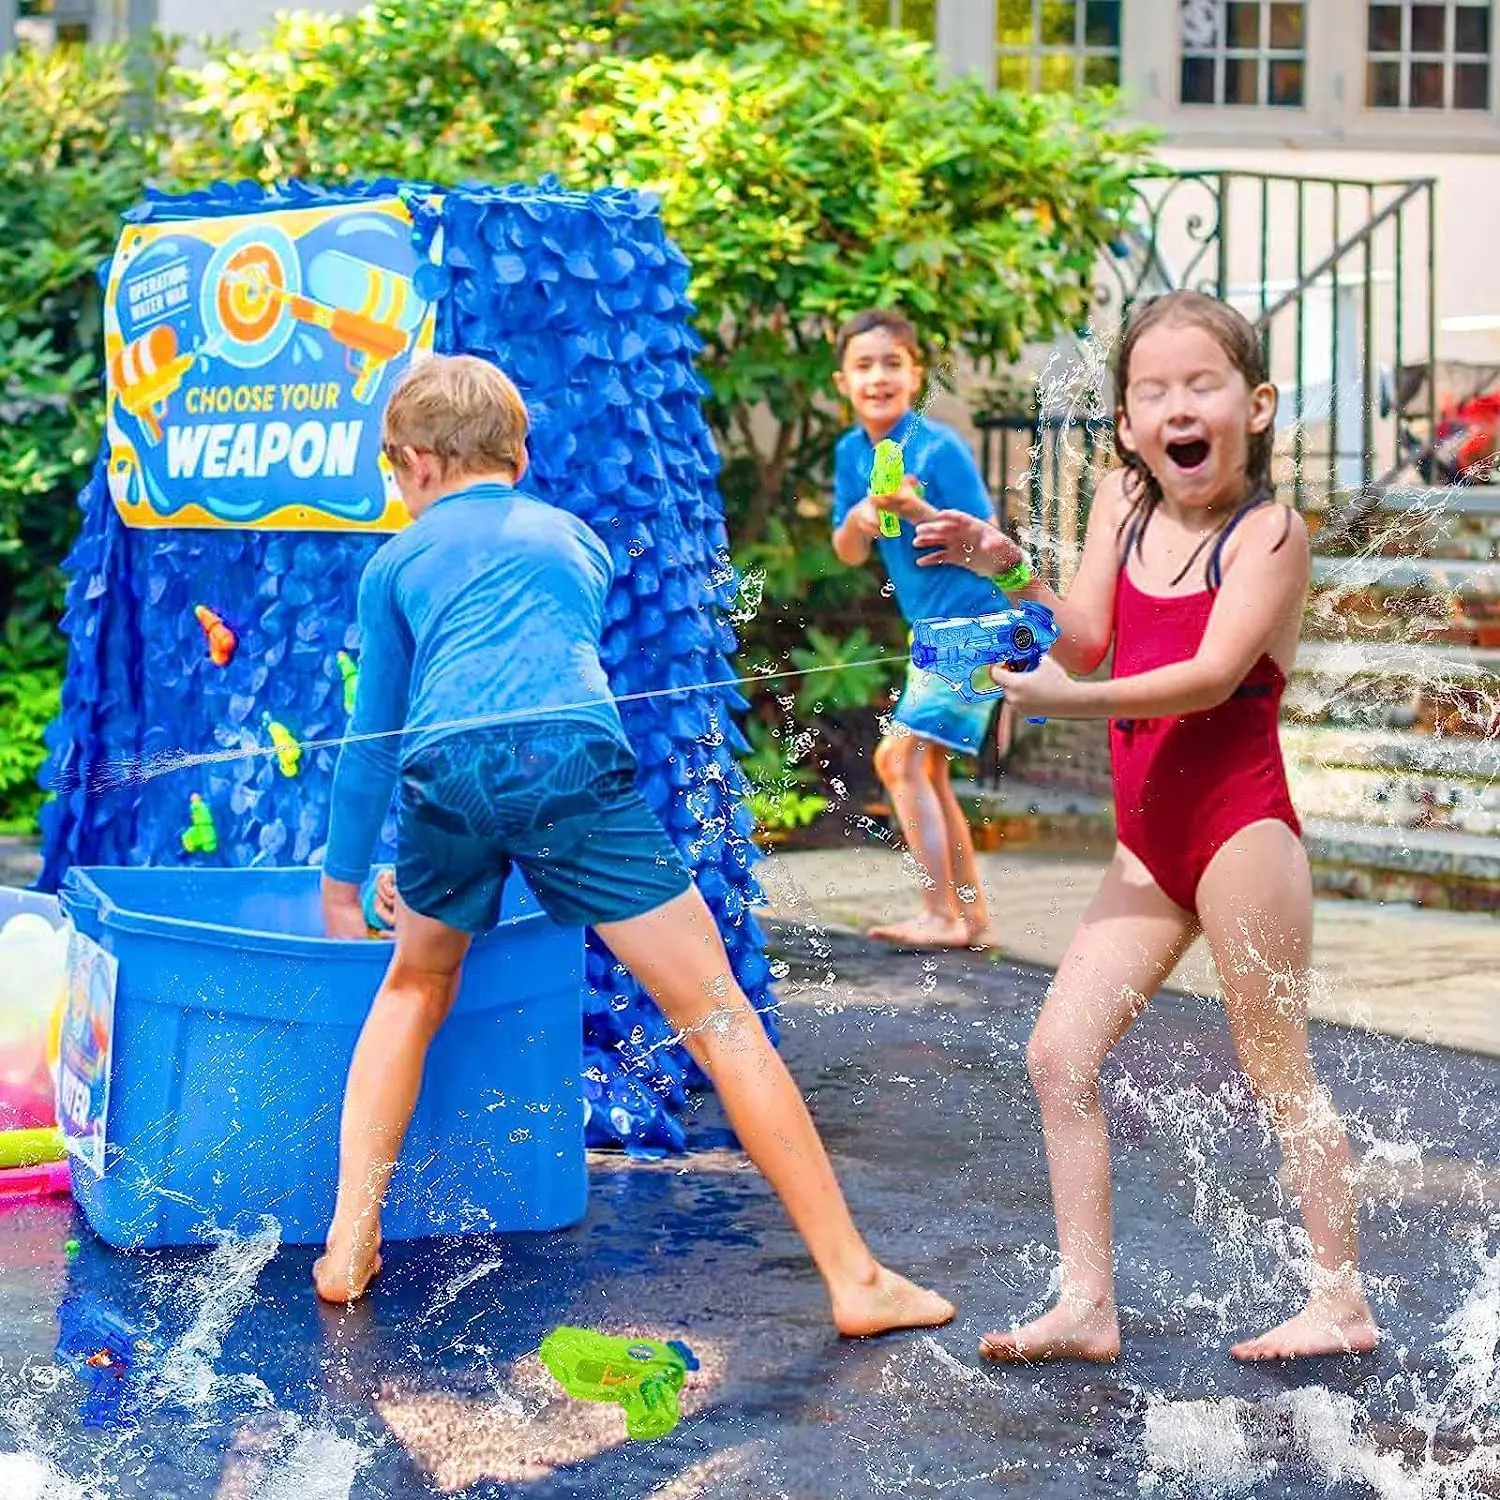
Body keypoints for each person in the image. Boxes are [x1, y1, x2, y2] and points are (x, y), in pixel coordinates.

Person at [314, 354, 954, 1339]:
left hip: (445, 772)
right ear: (518, 454)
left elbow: (372, 740)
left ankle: (351, 1242)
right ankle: (854, 1278)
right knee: (716, 1013)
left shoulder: (394, 562)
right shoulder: (574, 541)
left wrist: (341, 881)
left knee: (412, 988)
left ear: (418, 464)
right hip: (572, 762)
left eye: (398, 475)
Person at [913, 291, 1378, 1364]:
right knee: (1056, 1056)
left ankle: (1340, 1301)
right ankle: (1087, 1305)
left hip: (1240, 833)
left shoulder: (1271, 533)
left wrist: (1044, 701)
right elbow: (1081, 642)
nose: (1179, 407)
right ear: (1126, 424)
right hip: (1147, 844)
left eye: (1202, 386)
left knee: (1276, 1070)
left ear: (1255, 406)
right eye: (1153, 391)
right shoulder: (1124, 508)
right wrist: (1000, 560)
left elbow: (1208, 678)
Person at [830, 308, 1013, 952]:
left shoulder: (939, 449)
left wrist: (919, 511)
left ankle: (940, 915)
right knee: (924, 771)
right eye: (863, 365)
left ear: (914, 376)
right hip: (934, 629)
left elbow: (990, 547)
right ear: (842, 381)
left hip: (975, 622)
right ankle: (971, 918)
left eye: (891, 363)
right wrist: (861, 516)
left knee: (898, 758)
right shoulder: (851, 454)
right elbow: (849, 551)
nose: (877, 376)